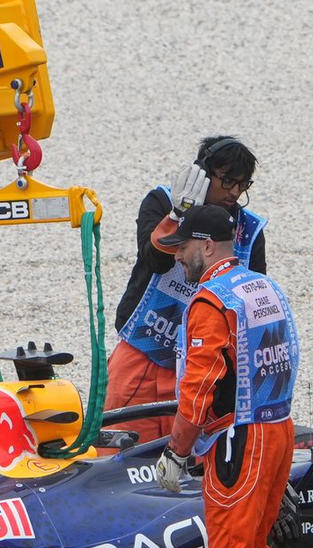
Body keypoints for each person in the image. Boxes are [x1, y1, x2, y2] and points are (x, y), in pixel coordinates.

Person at [152, 205, 313, 548]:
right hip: (278, 429)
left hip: (239, 440)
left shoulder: (211, 302)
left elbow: (199, 387)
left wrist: (176, 451)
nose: (178, 258)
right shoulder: (263, 287)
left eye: (184, 248)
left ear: (206, 245)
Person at [106, 137, 267, 443]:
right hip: (141, 351)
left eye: (243, 184)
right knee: (117, 449)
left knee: (190, 458)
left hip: (202, 363)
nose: (234, 192)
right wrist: (177, 216)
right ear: (202, 174)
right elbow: (154, 259)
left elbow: (253, 302)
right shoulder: (161, 202)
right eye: (227, 181)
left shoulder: (249, 231)